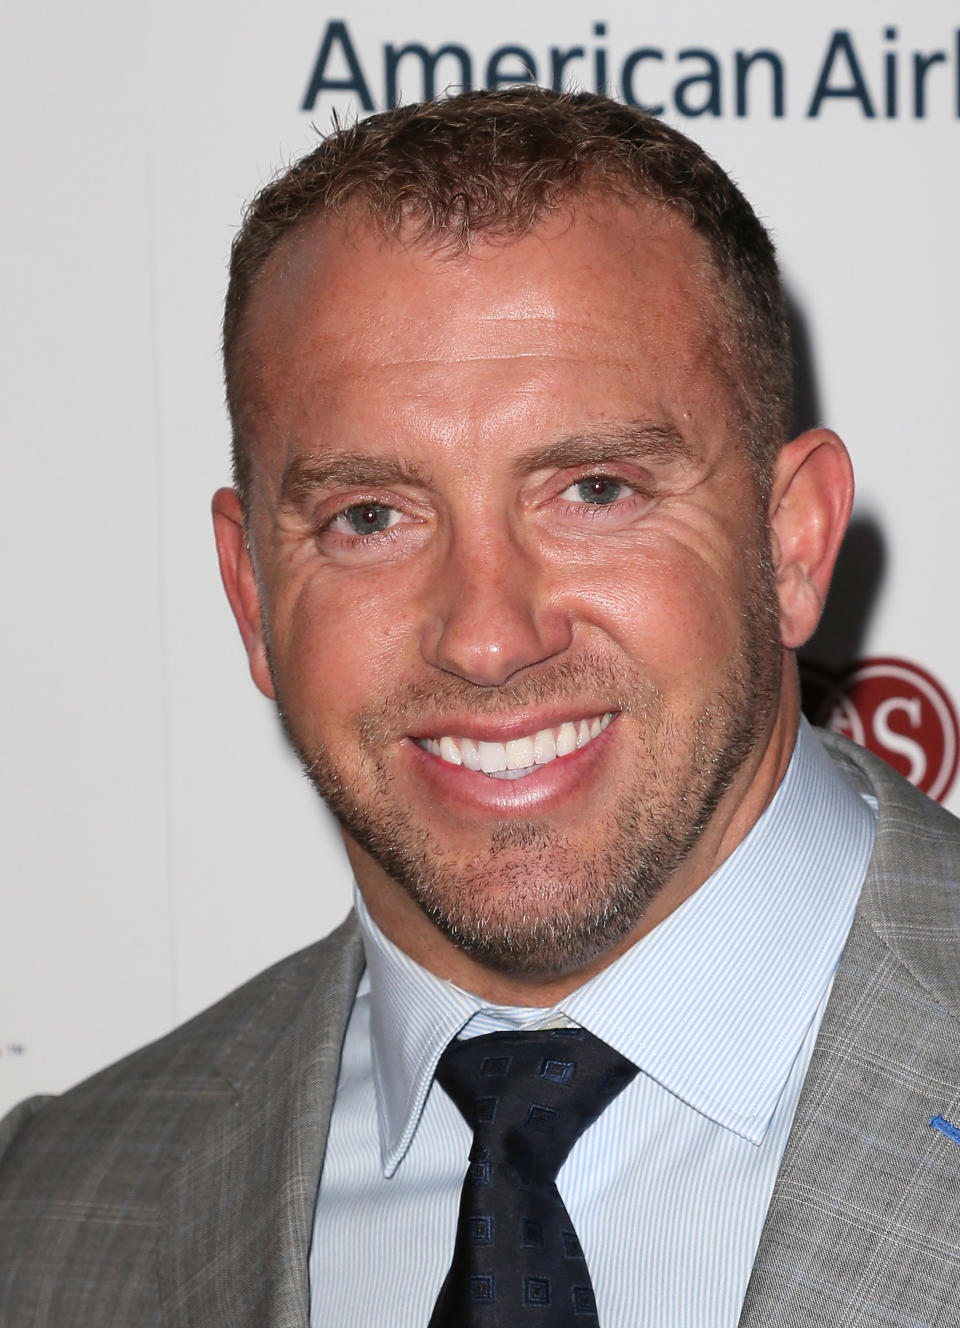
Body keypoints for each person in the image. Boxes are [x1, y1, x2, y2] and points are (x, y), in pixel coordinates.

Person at [1, 87, 959, 1327]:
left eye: (596, 488)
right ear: (251, 595)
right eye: (371, 517)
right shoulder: (46, 1224)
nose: (490, 635)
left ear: (791, 541)